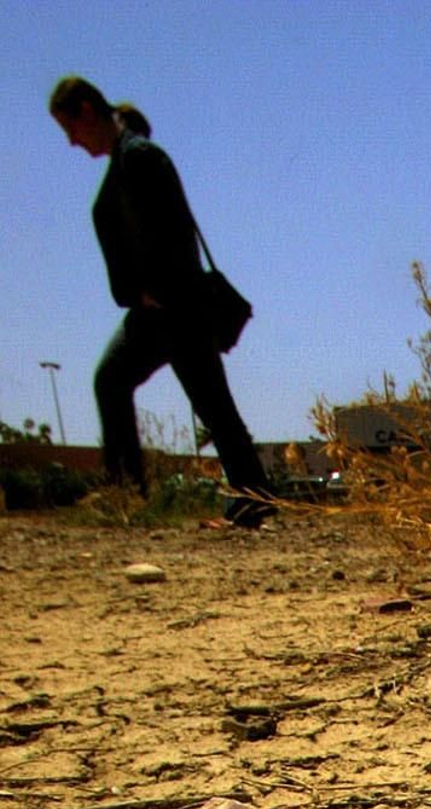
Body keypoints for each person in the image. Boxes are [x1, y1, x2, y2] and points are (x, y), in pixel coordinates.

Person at [48, 75, 273, 527]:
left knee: (213, 406)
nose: (71, 142)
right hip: (153, 311)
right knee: (113, 380)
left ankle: (252, 499)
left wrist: (159, 289)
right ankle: (128, 494)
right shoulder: (124, 164)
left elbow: (176, 233)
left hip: (180, 307)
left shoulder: (141, 158)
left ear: (87, 112)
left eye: (70, 128)